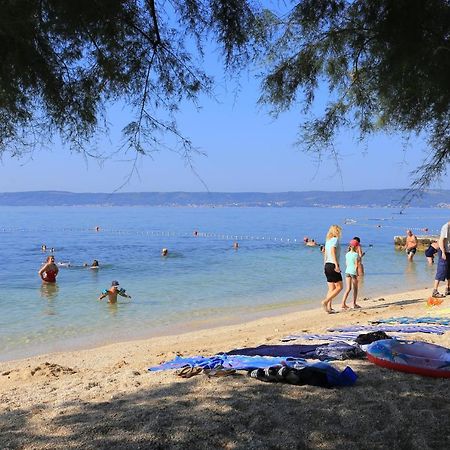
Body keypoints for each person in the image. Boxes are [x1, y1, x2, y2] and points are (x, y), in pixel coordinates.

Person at [321, 224, 343, 314]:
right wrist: (336, 265)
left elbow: (325, 254)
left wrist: (324, 265)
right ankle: (325, 302)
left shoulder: (328, 241)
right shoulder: (335, 240)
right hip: (332, 265)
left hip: (327, 265)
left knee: (331, 288)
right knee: (339, 287)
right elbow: (332, 252)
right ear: (337, 231)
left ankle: (329, 308)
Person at [341, 240, 361, 310]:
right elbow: (356, 265)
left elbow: (347, 264)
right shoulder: (356, 254)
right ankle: (354, 304)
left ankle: (343, 303)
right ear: (356, 247)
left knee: (348, 288)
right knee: (355, 289)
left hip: (347, 271)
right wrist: (357, 273)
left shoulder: (347, 254)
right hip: (353, 272)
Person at [432, 222, 450, 298]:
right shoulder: (446, 227)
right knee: (441, 270)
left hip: (449, 251)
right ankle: (435, 291)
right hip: (444, 251)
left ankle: (448, 289)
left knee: (449, 271)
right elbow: (441, 240)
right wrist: (443, 252)